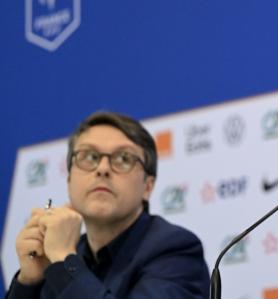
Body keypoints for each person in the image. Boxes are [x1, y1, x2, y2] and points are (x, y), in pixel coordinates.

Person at [8, 111, 210, 298]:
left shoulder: (175, 251)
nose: (102, 169)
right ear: (69, 179)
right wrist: (29, 283)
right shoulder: (63, 257)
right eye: (89, 156)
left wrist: (64, 260)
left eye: (123, 158)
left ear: (148, 186)